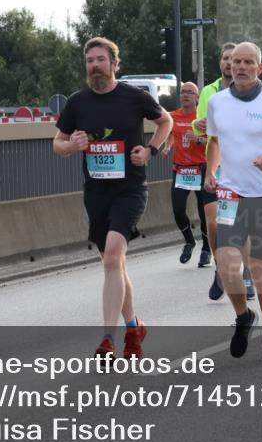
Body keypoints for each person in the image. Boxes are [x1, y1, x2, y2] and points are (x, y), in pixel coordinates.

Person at [53, 37, 173, 361]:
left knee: (111, 259)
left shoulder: (135, 97)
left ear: (114, 64)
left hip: (130, 191)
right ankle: (134, 327)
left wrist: (150, 150)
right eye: (90, 60)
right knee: (114, 264)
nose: (95, 66)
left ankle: (107, 340)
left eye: (100, 60)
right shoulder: (78, 103)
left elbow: (166, 121)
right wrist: (72, 146)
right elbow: (58, 143)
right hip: (96, 194)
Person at [205, 42, 262, 361]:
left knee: (259, 269)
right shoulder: (216, 103)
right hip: (230, 193)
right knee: (227, 264)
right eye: (236, 62)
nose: (240, 67)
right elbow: (215, 141)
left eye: (247, 62)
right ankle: (244, 316)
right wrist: (210, 169)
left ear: (259, 66)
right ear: (230, 66)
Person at [194, 43, 256, 300]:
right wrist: (198, 125)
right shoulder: (209, 92)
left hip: (240, 166)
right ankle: (220, 269)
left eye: (234, 59)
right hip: (212, 165)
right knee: (212, 221)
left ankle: (248, 273)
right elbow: (200, 131)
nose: (229, 63)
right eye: (225, 58)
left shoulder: (252, 93)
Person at [163, 81, 215, 267]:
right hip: (181, 170)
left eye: (190, 92)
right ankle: (189, 241)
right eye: (183, 92)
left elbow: (214, 141)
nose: (185, 95)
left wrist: (199, 139)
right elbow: (170, 132)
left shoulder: (202, 117)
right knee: (178, 210)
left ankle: (207, 249)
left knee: (204, 214)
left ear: (197, 96)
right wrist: (167, 146)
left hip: (201, 168)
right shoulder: (173, 116)